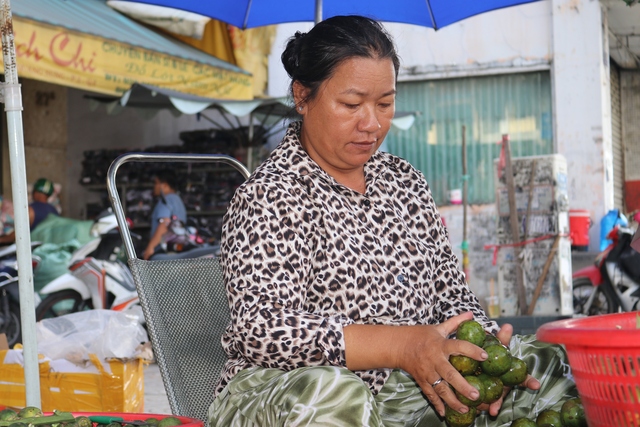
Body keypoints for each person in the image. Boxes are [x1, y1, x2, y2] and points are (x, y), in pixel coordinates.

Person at [209, 15, 577, 426]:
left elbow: (451, 295)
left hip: (402, 391)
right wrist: (403, 345)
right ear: (302, 96)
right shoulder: (271, 194)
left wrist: (485, 346)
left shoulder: (406, 182)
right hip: (284, 395)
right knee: (336, 394)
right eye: (351, 105)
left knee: (546, 363)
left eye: (385, 103)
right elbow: (262, 330)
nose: (372, 123)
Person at [142, 169, 187, 260]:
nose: (154, 186)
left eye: (156, 183)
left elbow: (164, 224)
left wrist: (150, 248)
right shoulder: (178, 200)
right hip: (177, 250)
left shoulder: (166, 200)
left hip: (164, 253)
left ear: (165, 185)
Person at [0, 178, 58, 245]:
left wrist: (1, 240)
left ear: (35, 192)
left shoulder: (30, 210)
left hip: (33, 250)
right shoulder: (55, 211)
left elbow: (18, 235)